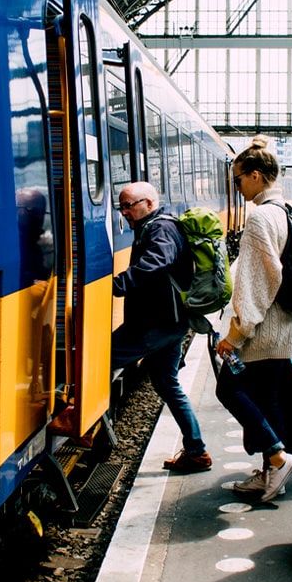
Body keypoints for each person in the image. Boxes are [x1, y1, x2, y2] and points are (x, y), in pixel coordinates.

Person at [215, 135, 292, 503]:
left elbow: (256, 285)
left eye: (237, 180)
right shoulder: (287, 212)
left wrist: (234, 336)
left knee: (228, 389)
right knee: (266, 399)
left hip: (262, 332)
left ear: (254, 175)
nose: (236, 187)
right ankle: (270, 471)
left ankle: (278, 458)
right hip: (285, 326)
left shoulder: (260, 219)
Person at [111, 181, 211, 474]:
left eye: (130, 205)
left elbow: (159, 260)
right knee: (168, 385)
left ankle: (86, 429)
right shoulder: (154, 226)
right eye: (122, 206)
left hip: (154, 323)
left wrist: (121, 284)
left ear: (149, 204)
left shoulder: (160, 228)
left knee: (98, 362)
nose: (125, 212)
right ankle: (197, 451)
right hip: (169, 322)